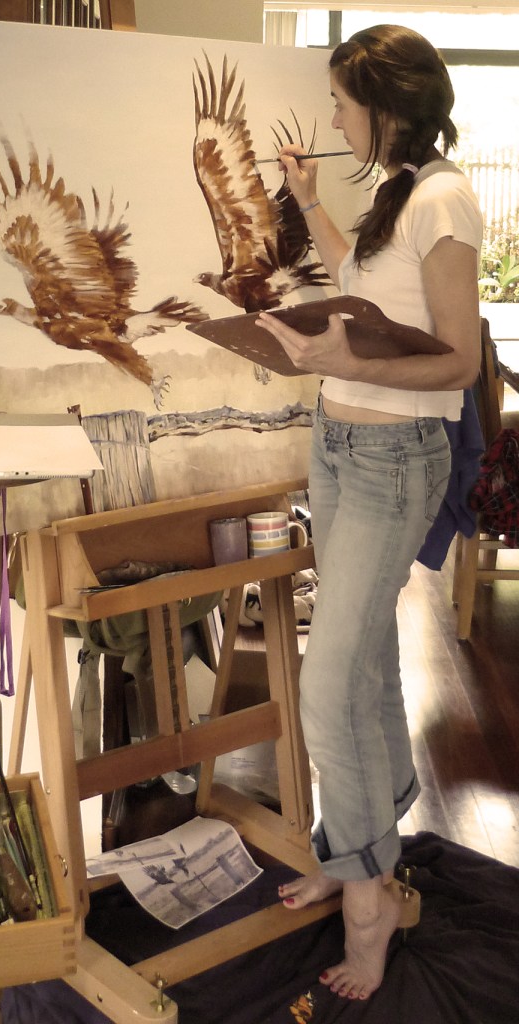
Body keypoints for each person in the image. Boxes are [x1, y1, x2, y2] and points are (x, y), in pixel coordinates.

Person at [256, 24, 483, 1002]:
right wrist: (309, 200)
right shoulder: (399, 193)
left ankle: (368, 902)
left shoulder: (444, 198)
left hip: (393, 459)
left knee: (327, 680)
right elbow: (364, 285)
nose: (335, 117)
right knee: (368, 658)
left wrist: (344, 360)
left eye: (343, 102)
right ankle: (362, 850)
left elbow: (458, 362)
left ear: (386, 105)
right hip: (341, 446)